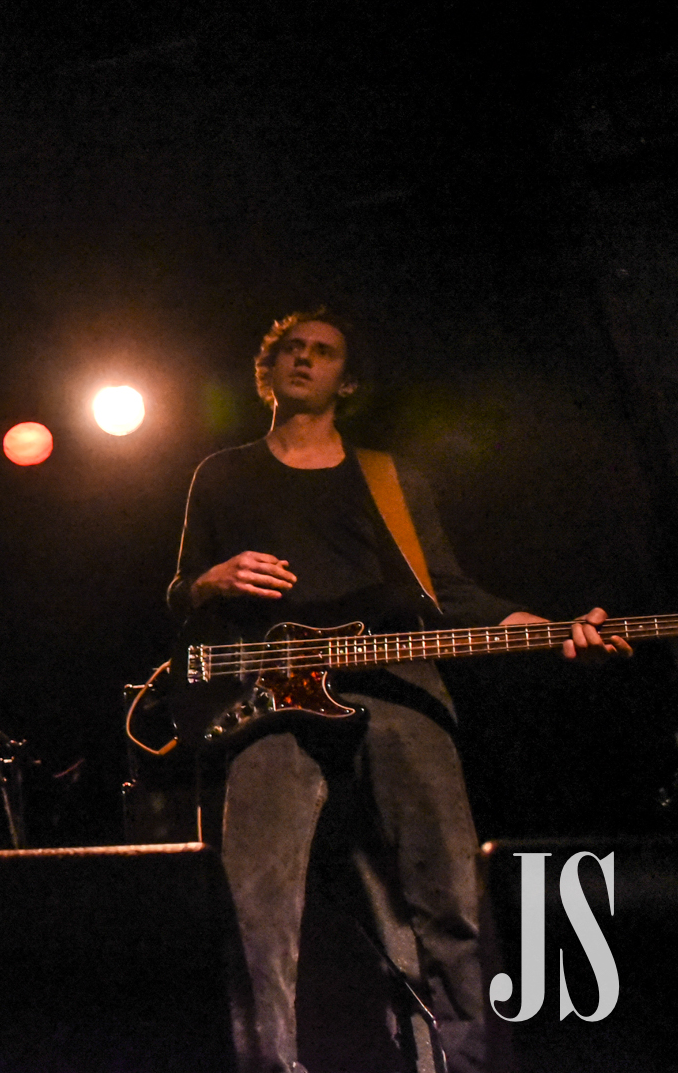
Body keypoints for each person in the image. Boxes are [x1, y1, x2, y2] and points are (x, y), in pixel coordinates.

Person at [168, 310, 625, 1073]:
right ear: (267, 368)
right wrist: (210, 579)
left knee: (449, 898)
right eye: (291, 348)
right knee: (258, 908)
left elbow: (446, 590)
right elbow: (180, 592)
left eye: (323, 351)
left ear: (347, 380)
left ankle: (464, 1063)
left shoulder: (391, 475)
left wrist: (551, 629)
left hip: (398, 688)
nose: (305, 359)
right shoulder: (220, 473)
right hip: (267, 703)